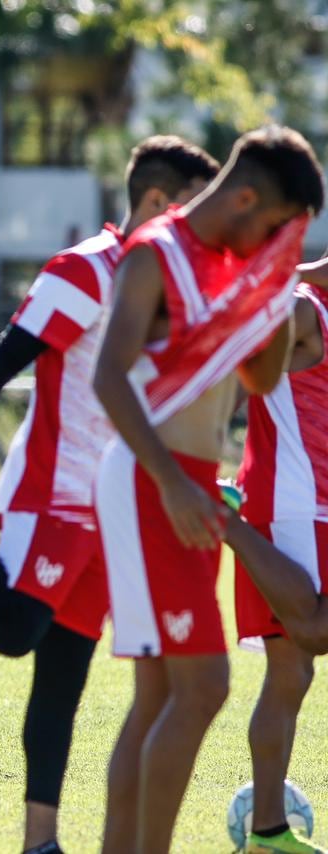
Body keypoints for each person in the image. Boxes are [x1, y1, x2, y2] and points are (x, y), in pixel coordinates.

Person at [0, 136, 219, 854]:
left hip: (112, 511)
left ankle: (41, 843)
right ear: (156, 203)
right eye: (192, 212)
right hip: (53, 493)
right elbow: (2, 365)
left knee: (63, 677)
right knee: (12, 632)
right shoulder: (85, 269)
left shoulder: (167, 289)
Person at [91, 126, 324, 854]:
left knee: (163, 695)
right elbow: (108, 376)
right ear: (248, 198)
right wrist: (171, 482)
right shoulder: (156, 253)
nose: (278, 243)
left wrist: (266, 298)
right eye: (279, 228)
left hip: (184, 484)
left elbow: (255, 378)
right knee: (203, 687)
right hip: (151, 479)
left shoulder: (229, 267)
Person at [231, 264, 328, 854]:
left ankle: (268, 830)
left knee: (292, 672)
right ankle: (226, 524)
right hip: (293, 507)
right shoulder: (302, 309)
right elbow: (232, 335)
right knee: (305, 649)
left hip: (312, 510)